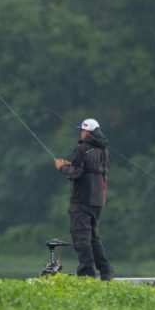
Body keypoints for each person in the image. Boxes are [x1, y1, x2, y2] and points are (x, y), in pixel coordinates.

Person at [54, 118, 114, 280]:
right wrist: (70, 166)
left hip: (82, 200)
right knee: (94, 237)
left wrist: (62, 168)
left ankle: (86, 274)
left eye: (82, 130)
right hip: (98, 200)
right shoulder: (104, 151)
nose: (81, 133)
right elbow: (88, 169)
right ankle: (106, 271)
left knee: (81, 236)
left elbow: (77, 173)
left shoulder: (82, 149)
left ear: (87, 132)